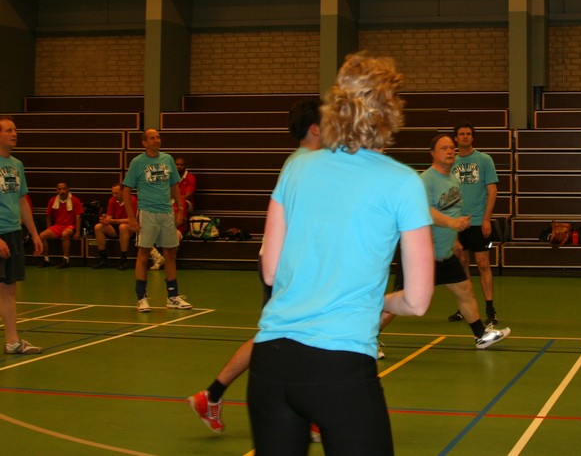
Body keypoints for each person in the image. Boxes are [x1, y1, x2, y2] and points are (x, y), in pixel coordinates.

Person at [248, 53, 434, 455]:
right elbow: (417, 301)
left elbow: (271, 271)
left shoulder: (296, 168)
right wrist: (379, 300)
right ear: (390, 114)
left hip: (271, 363)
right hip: (339, 368)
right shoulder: (403, 182)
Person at [189, 97, 322, 435]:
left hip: (284, 261)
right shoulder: (306, 166)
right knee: (303, 338)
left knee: (277, 337)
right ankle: (307, 413)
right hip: (286, 265)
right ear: (316, 128)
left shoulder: (304, 162)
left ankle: (211, 395)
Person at [380, 134, 510, 350]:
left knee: (464, 290)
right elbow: (424, 211)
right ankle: (366, 339)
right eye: (444, 148)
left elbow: (452, 210)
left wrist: (455, 240)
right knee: (402, 301)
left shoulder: (454, 180)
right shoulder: (425, 181)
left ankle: (480, 336)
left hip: (444, 253)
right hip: (420, 255)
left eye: (451, 148)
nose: (450, 151)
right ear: (433, 153)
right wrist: (452, 224)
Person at [123, 128, 191, 312]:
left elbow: (174, 185)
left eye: (158, 137)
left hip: (167, 212)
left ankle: (173, 296)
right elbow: (126, 190)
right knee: (144, 253)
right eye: (152, 138)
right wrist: (131, 218)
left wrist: (180, 209)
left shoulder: (167, 159)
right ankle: (142, 298)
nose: (156, 140)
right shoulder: (137, 162)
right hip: (147, 213)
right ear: (144, 143)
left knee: (170, 253)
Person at [0, 116, 45, 355]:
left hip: (13, 233)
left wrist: (34, 233)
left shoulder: (17, 165)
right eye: (8, 130)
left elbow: (22, 201)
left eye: (15, 130)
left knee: (8, 289)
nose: (14, 134)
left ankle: (12, 341)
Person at [448, 121, 499, 325]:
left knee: (483, 264)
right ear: (456, 138)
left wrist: (486, 218)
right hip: (458, 223)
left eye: (468, 133)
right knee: (462, 265)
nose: (465, 136)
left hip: (478, 222)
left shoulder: (484, 160)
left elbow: (492, 190)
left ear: (472, 137)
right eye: (461, 134)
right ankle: (466, 308)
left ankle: (490, 309)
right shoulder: (450, 161)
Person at [39, 181, 83, 268]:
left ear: (68, 189)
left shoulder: (75, 200)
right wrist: (48, 228)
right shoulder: (52, 200)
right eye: (59, 189)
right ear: (57, 190)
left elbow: (78, 216)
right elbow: (48, 215)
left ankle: (65, 260)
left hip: (70, 226)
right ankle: (46, 260)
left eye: (64, 189)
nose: (62, 191)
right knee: (42, 235)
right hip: (57, 226)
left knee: (65, 234)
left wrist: (77, 232)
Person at [92, 183, 135, 270]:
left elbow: (131, 220)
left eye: (116, 193)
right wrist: (105, 220)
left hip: (130, 227)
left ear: (123, 192)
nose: (114, 195)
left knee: (123, 227)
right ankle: (103, 257)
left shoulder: (132, 200)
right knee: (98, 227)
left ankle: (123, 259)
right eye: (113, 193)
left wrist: (112, 221)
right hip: (116, 226)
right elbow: (109, 217)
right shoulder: (112, 200)